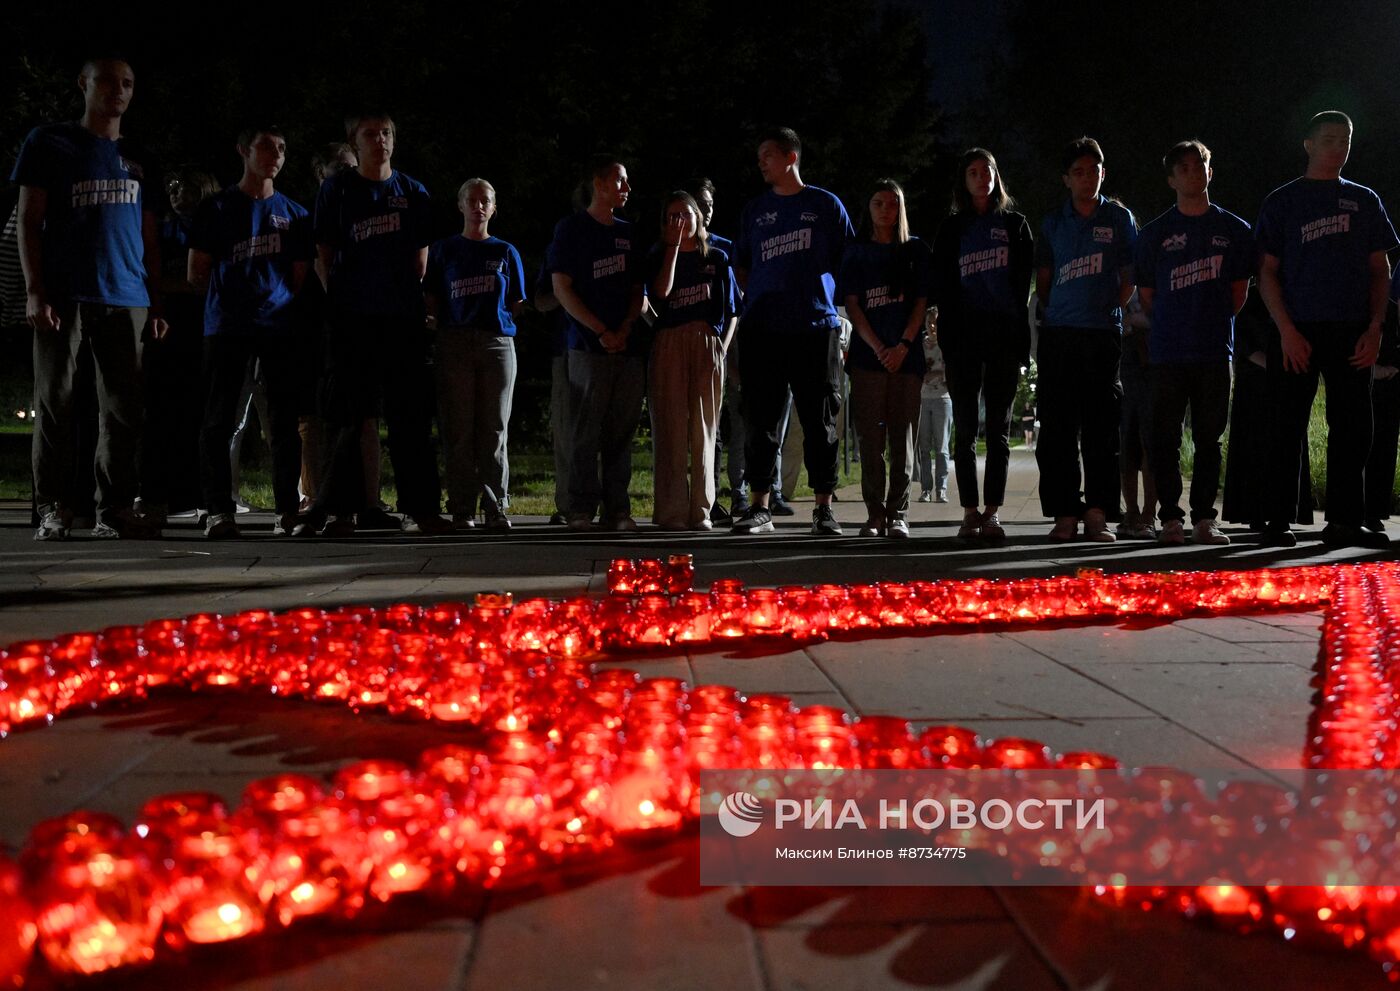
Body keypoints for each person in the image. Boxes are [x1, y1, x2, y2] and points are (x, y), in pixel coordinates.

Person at [14, 56, 167, 541]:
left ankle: (114, 508)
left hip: (127, 295)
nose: (117, 91)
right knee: (56, 402)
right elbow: (27, 221)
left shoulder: (140, 154)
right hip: (65, 293)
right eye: (107, 81)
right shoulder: (49, 142)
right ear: (83, 84)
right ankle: (53, 507)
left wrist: (156, 301)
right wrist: (36, 290)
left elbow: (150, 235)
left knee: (123, 410)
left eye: (127, 83)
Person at [304, 111, 449, 537]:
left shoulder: (413, 192)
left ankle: (421, 509)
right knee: (349, 416)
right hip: (352, 319)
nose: (381, 140)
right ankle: (342, 510)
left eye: (387, 132)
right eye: (371, 134)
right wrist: (343, 299)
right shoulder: (338, 189)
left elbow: (420, 260)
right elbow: (323, 256)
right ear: (355, 142)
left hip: (400, 319)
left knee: (410, 416)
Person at [1256, 110, 1398, 548]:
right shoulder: (1283, 201)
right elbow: (1266, 273)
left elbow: (1381, 269)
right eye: (1330, 139)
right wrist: (1285, 329)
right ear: (1309, 145)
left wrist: (1376, 328)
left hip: (1352, 329)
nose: (1339, 147)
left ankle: (1344, 521)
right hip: (1297, 328)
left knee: (1355, 426)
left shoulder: (1364, 200)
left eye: (1346, 140)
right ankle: (1276, 521)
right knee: (1285, 424)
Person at [189, 125, 311, 539]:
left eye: (281, 147)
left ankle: (288, 512)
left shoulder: (294, 214)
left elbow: (298, 275)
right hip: (226, 326)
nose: (274, 154)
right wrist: (234, 299)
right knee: (218, 418)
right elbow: (197, 271)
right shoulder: (217, 208)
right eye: (266, 146)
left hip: (277, 328)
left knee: (282, 421)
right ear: (243, 150)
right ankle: (219, 510)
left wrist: (271, 303)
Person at [731, 127, 854, 536]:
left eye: (767, 154)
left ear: (790, 157)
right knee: (761, 419)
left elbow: (846, 262)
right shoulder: (755, 210)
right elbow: (742, 266)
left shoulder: (824, 205)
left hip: (814, 328)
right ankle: (760, 506)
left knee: (819, 420)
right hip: (763, 330)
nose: (760, 162)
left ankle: (823, 508)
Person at [1135, 140, 1253, 546]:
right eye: (1182, 168)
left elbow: (1239, 294)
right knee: (1164, 437)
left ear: (1210, 170)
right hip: (1167, 351)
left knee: (1209, 439)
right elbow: (1148, 296)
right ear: (1171, 179)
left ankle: (1205, 518)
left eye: (1199, 164)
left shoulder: (1235, 231)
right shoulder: (1154, 234)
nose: (1192, 172)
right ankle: (1170, 518)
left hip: (1215, 352)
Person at [1033, 137, 1136, 542]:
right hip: (1059, 336)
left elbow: (1128, 278)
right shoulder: (1052, 223)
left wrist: (1106, 309)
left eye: (1094, 170)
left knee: (1101, 429)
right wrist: (1064, 311)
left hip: (1102, 336)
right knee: (1058, 429)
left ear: (1103, 174)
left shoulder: (1119, 219)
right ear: (1066, 178)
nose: (1087, 178)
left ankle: (1097, 513)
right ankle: (1064, 514)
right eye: (1079, 171)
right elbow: (1044, 283)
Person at [931, 147, 1033, 542]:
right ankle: (969, 511)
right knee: (966, 428)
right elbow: (941, 283)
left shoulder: (1015, 224)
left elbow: (1023, 285)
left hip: (1003, 339)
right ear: (964, 180)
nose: (981, 177)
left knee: (999, 429)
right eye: (973, 171)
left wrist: (1018, 337)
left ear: (996, 176)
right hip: (962, 340)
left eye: (986, 169)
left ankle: (993, 512)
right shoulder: (952, 228)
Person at [547, 154, 646, 531]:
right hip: (587, 348)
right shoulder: (572, 229)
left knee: (621, 431)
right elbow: (562, 287)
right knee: (585, 431)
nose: (627, 188)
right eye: (620, 180)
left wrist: (624, 328)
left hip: (627, 347)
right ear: (599, 183)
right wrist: (599, 329)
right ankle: (580, 509)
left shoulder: (629, 232)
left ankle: (617, 510)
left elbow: (638, 288)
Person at [423, 178, 525, 530]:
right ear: (461, 205)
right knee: (458, 428)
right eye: (472, 200)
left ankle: (496, 505)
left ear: (494, 208)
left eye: (485, 201)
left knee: (494, 427)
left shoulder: (505, 251)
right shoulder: (444, 250)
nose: (478, 206)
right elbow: (432, 294)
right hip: (454, 342)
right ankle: (462, 506)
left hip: (496, 343)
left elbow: (516, 300)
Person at [841, 178, 928, 539]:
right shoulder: (856, 251)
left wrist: (903, 345)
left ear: (900, 208)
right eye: (878, 203)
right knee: (870, 441)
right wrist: (878, 347)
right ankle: (875, 513)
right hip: (867, 359)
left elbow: (921, 301)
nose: (885, 210)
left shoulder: (916, 250)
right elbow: (852, 304)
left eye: (892, 203)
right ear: (869, 208)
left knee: (902, 438)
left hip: (906, 360)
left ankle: (899, 512)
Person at [647, 190, 738, 529]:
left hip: (706, 340)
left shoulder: (716, 257)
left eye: (685, 214)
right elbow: (662, 292)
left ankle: (701, 509)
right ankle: (671, 510)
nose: (680, 221)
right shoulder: (658, 254)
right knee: (669, 426)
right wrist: (672, 247)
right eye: (673, 216)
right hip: (670, 338)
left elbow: (731, 311)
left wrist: (722, 347)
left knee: (704, 428)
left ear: (699, 218)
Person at [142, 165, 218, 524]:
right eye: (170, 185)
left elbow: (205, 279)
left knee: (199, 413)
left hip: (201, 327)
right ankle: (158, 494)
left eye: (183, 184)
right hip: (165, 327)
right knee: (160, 412)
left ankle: (200, 494)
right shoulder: (162, 228)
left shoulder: (211, 227)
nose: (174, 191)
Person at [1116, 289, 1157, 539]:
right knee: (1127, 437)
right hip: (1126, 353)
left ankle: (1148, 513)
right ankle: (1132, 512)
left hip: (1152, 351)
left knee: (1149, 439)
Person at [1365, 271, 1400, 533]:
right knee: (1374, 442)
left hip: (1389, 370)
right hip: (1372, 372)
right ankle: (1369, 510)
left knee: (1383, 443)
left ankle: (1374, 510)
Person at [916, 308, 951, 503]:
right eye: (928, 322)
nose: (931, 326)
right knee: (924, 447)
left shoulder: (947, 345)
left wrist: (936, 375)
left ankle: (942, 488)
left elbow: (951, 372)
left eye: (935, 323)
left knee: (942, 447)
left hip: (943, 399)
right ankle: (926, 489)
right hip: (923, 398)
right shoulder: (920, 346)